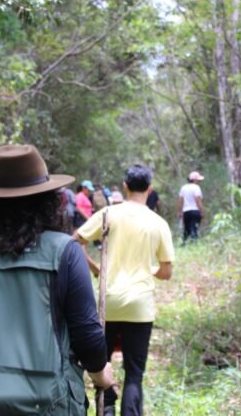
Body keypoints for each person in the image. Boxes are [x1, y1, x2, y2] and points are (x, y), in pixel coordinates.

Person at [0, 145, 114, 415]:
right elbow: (86, 333)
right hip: (46, 405)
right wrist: (100, 373)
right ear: (48, 202)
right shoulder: (64, 253)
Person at [75, 164, 174, 416]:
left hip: (108, 304)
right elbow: (166, 272)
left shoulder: (109, 213)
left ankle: (105, 410)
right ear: (149, 189)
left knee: (101, 365)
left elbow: (75, 241)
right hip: (139, 307)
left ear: (125, 186)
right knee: (134, 374)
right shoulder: (158, 222)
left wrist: (96, 269)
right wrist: (146, 270)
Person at [178, 171, 204, 243]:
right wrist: (202, 211)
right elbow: (198, 200)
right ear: (194, 180)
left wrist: (179, 212)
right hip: (195, 211)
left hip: (186, 212)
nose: (199, 181)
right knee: (194, 228)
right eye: (198, 180)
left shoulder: (183, 188)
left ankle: (185, 243)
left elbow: (180, 201)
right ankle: (194, 242)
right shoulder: (196, 188)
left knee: (187, 229)